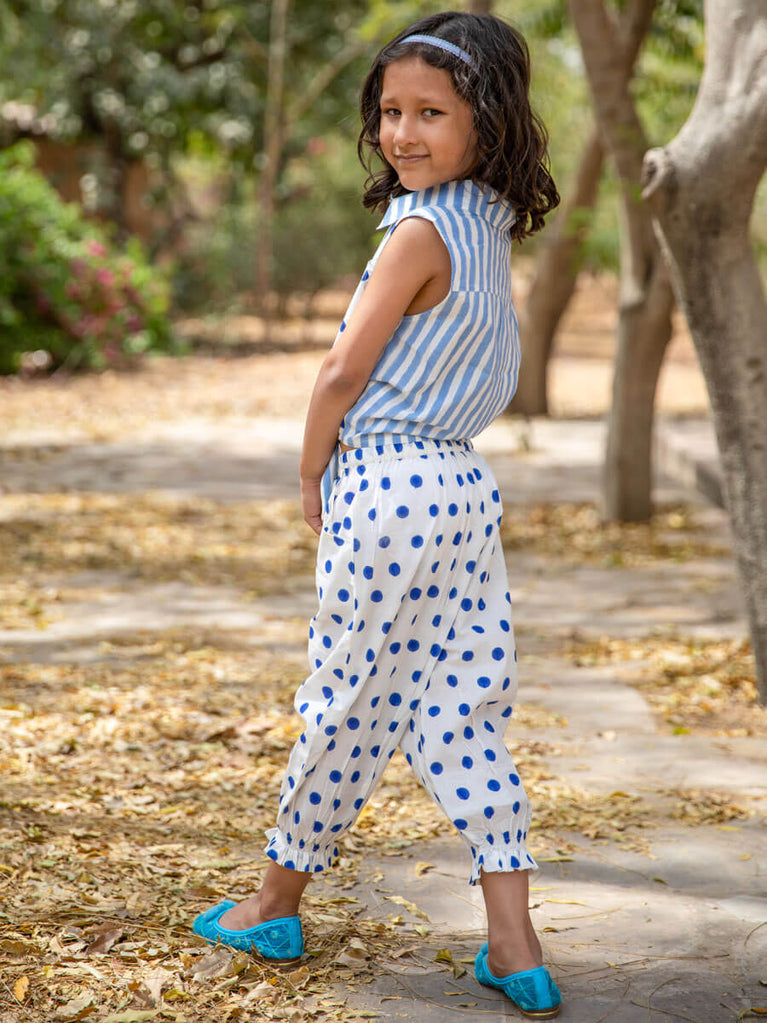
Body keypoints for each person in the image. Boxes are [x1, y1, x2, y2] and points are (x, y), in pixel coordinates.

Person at [194, 10, 562, 1019]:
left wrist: (311, 466)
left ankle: (273, 904)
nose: (401, 132)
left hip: (389, 482)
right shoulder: (489, 225)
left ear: (486, 121)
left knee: (346, 694)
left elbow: (340, 369)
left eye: (430, 113)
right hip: (461, 491)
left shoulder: (418, 231)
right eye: (390, 111)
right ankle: (513, 943)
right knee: (462, 704)